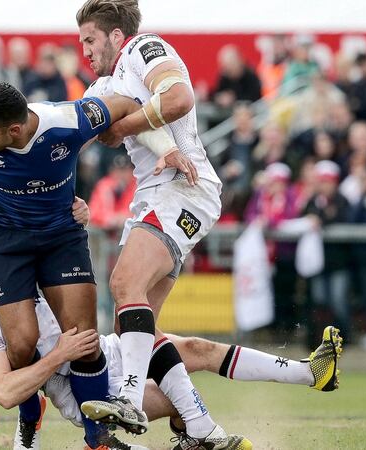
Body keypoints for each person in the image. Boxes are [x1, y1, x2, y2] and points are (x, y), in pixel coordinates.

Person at [0, 80, 187, 448]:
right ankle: (30, 415)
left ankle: (98, 440)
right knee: (22, 343)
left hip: (62, 238)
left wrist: (125, 135)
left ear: (14, 129)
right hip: (7, 245)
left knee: (85, 342)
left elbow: (124, 104)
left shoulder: (69, 120)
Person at [0, 245, 343, 449]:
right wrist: (60, 354)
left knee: (183, 345)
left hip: (100, 349)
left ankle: (311, 373)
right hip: (79, 383)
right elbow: (5, 393)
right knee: (163, 366)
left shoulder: (1, 280)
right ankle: (194, 435)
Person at [76, 1, 250, 448]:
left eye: (90, 40)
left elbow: (178, 98)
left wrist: (131, 127)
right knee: (137, 325)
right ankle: (203, 430)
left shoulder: (143, 48)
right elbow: (77, 129)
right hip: (154, 193)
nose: (85, 51)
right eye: (81, 43)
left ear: (117, 36)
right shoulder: (102, 85)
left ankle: (131, 400)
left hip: (183, 188)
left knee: (123, 281)